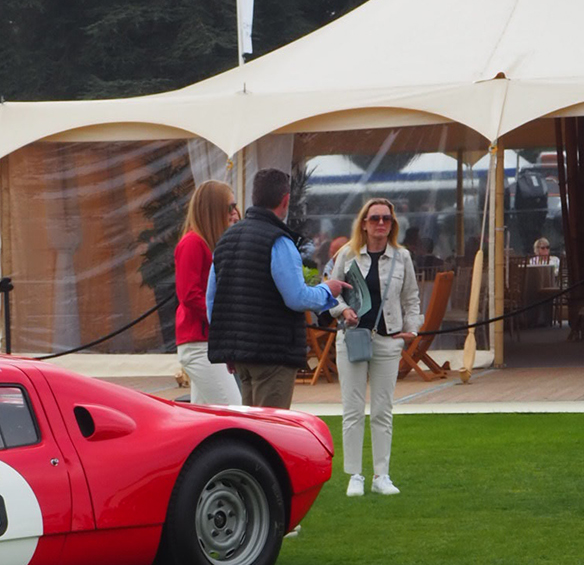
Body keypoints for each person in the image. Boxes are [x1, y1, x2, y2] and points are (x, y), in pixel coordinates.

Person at [206, 167, 357, 409]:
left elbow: (212, 301)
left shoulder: (226, 240)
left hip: (240, 355)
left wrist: (229, 348)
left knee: (251, 430)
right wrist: (328, 289)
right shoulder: (278, 240)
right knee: (270, 431)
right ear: (285, 200)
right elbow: (296, 297)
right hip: (272, 354)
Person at [328, 197, 421, 497]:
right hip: (353, 338)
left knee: (383, 409)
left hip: (387, 339)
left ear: (392, 224)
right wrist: (342, 311)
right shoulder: (347, 254)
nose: (380, 223)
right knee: (352, 409)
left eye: (386, 219)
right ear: (364, 223)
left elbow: (411, 299)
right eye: (374, 218)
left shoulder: (402, 257)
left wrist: (411, 330)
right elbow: (330, 294)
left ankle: (382, 474)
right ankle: (354, 474)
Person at [174, 182, 243, 405]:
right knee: (234, 411)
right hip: (199, 343)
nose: (234, 212)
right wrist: (222, 319)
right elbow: (189, 295)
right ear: (214, 209)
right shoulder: (193, 243)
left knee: (206, 420)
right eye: (229, 207)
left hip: (205, 342)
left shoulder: (205, 243)